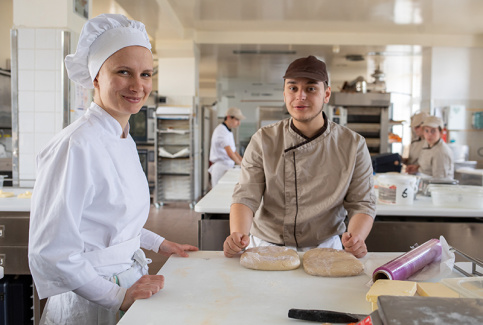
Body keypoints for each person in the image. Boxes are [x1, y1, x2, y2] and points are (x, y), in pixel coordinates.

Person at [28, 14, 198, 325]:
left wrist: (160, 244)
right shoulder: (75, 145)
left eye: (146, 74)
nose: (138, 85)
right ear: (95, 78)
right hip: (89, 300)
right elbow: (51, 251)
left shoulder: (122, 137)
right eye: (123, 72)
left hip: (129, 285)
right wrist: (117, 297)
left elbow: (109, 220)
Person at [223, 55, 376, 259]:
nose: (300, 96)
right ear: (284, 94)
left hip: (325, 247)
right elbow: (246, 195)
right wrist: (237, 235)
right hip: (267, 246)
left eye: (311, 88)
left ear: (326, 94)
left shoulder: (353, 145)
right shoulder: (263, 139)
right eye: (293, 88)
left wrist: (356, 239)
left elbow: (362, 202)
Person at [208, 107, 245, 186]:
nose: (239, 123)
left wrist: (244, 163)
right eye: (237, 120)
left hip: (227, 167)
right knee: (219, 194)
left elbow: (234, 151)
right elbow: (230, 153)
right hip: (221, 168)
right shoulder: (221, 131)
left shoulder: (228, 131)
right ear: (229, 117)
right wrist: (242, 165)